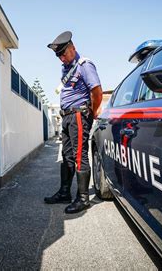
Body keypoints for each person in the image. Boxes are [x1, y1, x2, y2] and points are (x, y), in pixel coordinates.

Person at [44, 31, 103, 214]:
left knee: (79, 156)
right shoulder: (66, 68)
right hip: (67, 116)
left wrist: (91, 112)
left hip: (78, 115)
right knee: (67, 155)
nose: (61, 58)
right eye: (58, 55)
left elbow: (97, 91)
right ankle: (64, 193)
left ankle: (83, 198)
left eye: (63, 53)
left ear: (73, 48)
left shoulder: (84, 65)